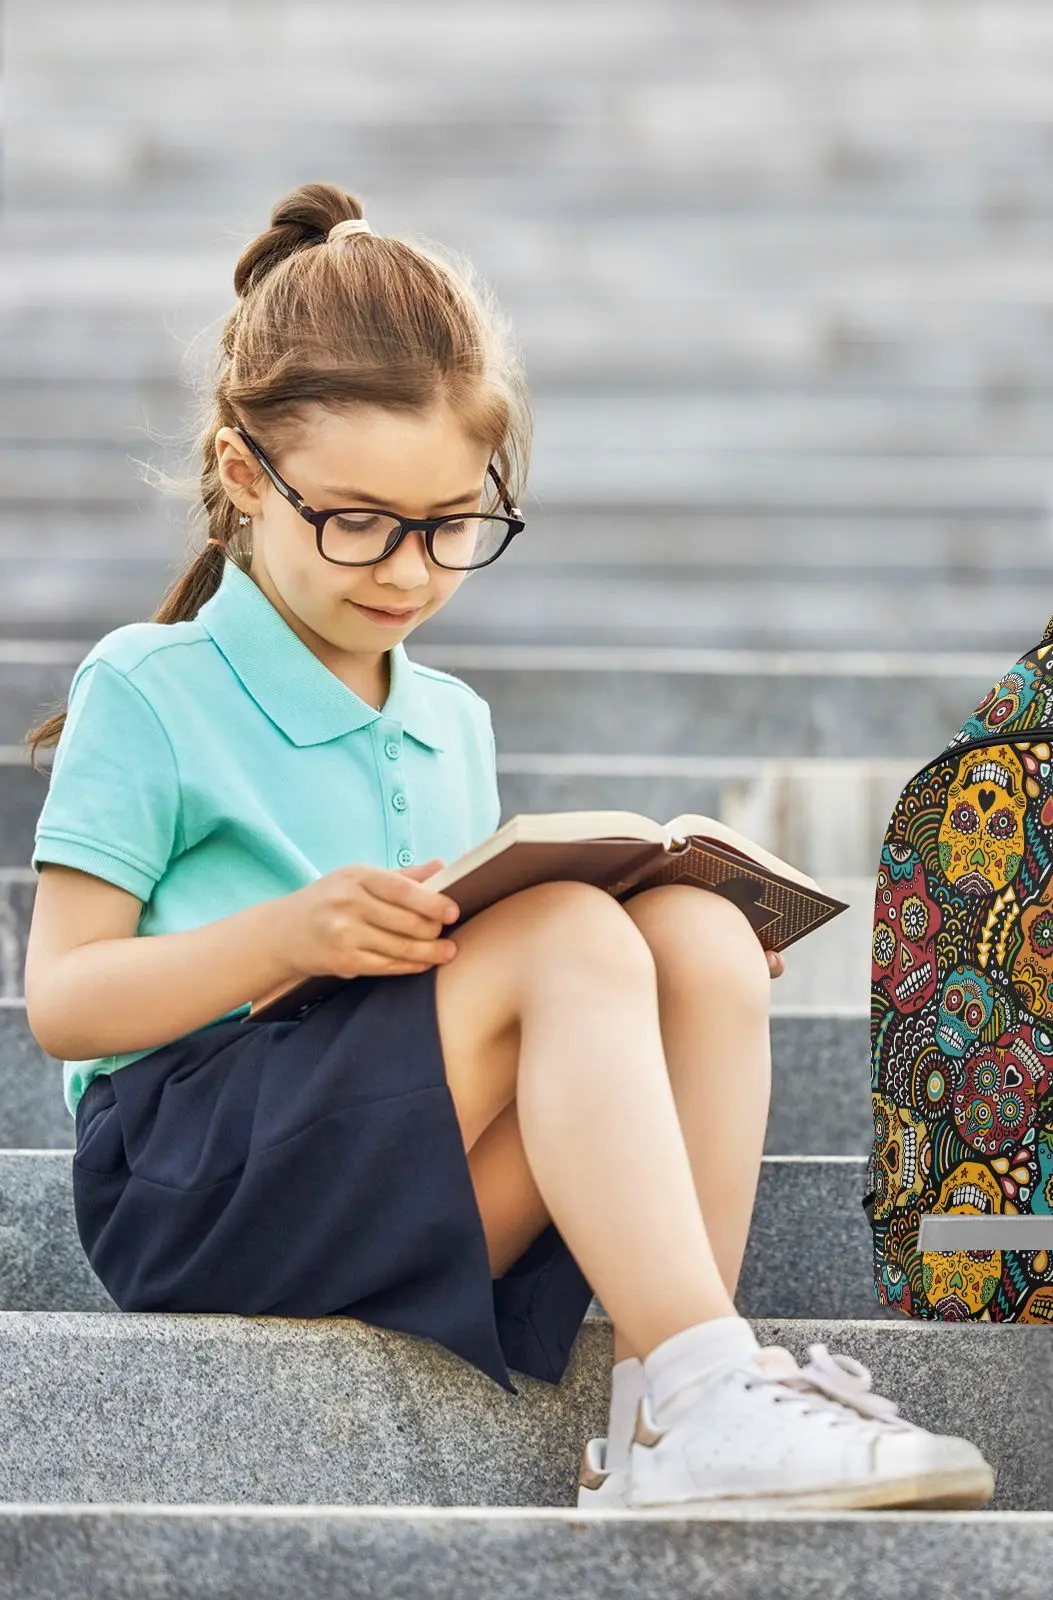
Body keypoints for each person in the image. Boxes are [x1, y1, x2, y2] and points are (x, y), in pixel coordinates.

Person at [22, 183, 995, 1514]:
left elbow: (469, 1010)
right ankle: (716, 1387)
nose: (410, 569)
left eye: (450, 524)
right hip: (198, 1185)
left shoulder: (448, 720)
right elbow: (67, 1003)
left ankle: (672, 1410)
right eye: (357, 521)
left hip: (390, 1167)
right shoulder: (152, 686)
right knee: (571, 940)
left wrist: (657, 989)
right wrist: (284, 936)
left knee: (698, 941)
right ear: (247, 479)